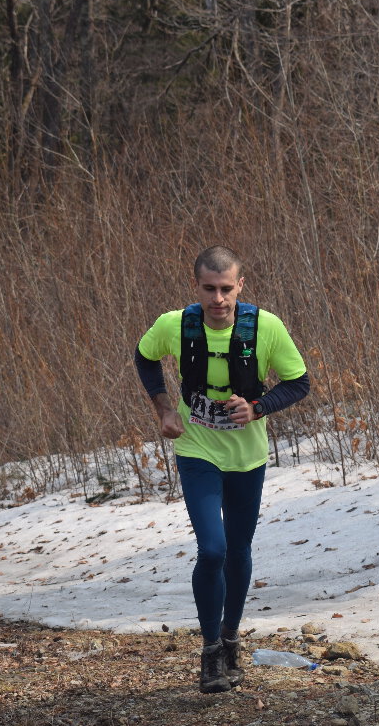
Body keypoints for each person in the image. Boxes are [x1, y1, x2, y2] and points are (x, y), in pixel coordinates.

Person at [134, 246, 311, 694]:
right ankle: (211, 650)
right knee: (211, 550)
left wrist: (257, 407)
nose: (218, 299)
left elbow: (299, 383)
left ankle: (231, 639)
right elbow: (144, 357)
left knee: (238, 550)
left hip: (247, 457)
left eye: (226, 289)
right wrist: (163, 411)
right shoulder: (174, 324)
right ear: (196, 287)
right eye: (209, 289)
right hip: (197, 451)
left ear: (241, 286)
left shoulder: (265, 327)